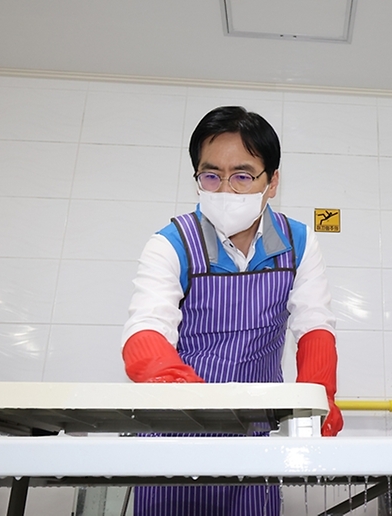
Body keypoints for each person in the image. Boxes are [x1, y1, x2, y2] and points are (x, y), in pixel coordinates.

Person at [121, 106, 343, 516]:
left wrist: (318, 396)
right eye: (211, 175)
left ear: (271, 181)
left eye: (242, 175)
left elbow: (314, 326)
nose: (225, 189)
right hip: (174, 435)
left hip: (256, 440)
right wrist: (183, 393)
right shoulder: (171, 243)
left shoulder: (299, 244)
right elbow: (147, 327)